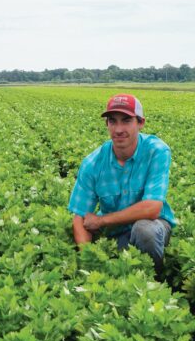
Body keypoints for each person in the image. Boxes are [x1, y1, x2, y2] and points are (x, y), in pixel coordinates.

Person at [68, 93, 175, 271]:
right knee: (113, 265)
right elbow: (80, 217)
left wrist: (101, 221)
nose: (118, 129)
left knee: (143, 231)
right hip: (115, 234)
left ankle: (155, 283)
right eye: (113, 121)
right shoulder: (92, 164)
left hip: (154, 226)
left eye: (126, 120)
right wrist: (89, 259)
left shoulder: (156, 151)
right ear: (107, 124)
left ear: (141, 123)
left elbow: (152, 208)